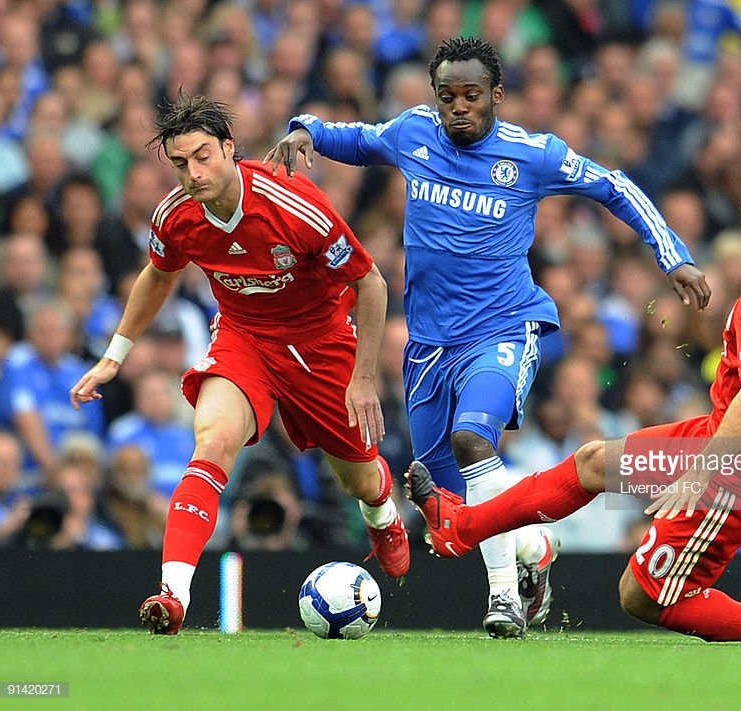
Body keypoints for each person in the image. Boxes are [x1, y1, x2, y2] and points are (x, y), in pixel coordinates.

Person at [265, 36, 711, 638]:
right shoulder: (414, 132)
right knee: (449, 514)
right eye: (447, 96)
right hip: (428, 348)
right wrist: (307, 131)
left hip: (503, 328)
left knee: (474, 438)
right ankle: (534, 551)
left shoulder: (533, 154)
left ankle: (503, 599)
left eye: (471, 95)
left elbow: (614, 185)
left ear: (496, 95)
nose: (459, 107)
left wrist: (672, 254)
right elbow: (360, 139)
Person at [406, 170, 741, 646]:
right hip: (723, 436)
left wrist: (700, 474)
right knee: (594, 462)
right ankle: (465, 526)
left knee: (641, 596)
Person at [70, 94, 409, 635]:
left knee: (360, 478)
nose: (193, 173)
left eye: (203, 156)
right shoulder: (175, 216)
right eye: (180, 163)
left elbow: (370, 282)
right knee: (212, 443)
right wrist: (115, 356)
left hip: (320, 344)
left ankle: (383, 515)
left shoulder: (293, 203)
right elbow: (158, 274)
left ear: (229, 148)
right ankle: (172, 596)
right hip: (243, 337)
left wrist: (365, 379)